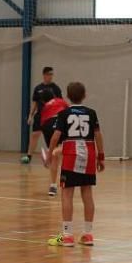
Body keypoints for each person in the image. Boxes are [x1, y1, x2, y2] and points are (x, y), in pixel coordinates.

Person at [47, 82, 104, 247]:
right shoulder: (91, 113)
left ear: (67, 96)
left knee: (67, 194)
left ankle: (67, 235)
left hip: (71, 154)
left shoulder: (64, 113)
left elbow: (56, 136)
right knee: (87, 194)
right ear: (84, 94)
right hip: (88, 154)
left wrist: (50, 153)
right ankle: (88, 234)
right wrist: (101, 156)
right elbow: (98, 135)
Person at [22, 66, 62, 164]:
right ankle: (28, 156)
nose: (50, 76)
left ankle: (53, 154)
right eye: (49, 74)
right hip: (40, 115)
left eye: (52, 74)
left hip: (52, 117)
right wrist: (31, 115)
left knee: (54, 137)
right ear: (44, 75)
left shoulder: (55, 88)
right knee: (35, 134)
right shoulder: (38, 88)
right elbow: (35, 103)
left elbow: (60, 102)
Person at [39, 93, 69, 197]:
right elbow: (69, 111)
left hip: (46, 125)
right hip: (58, 120)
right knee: (65, 149)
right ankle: (52, 152)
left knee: (55, 156)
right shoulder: (60, 100)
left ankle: (53, 186)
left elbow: (41, 123)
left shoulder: (45, 107)